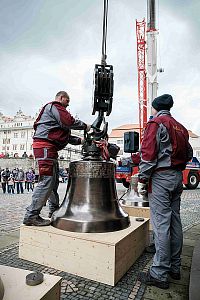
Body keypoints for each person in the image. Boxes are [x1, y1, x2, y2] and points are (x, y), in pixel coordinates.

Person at [138, 94, 193, 289]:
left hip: (161, 178)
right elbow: (189, 153)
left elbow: (148, 154)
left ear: (155, 107)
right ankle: (175, 268)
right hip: (177, 177)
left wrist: (143, 178)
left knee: (161, 224)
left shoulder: (156, 123)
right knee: (175, 221)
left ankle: (159, 273)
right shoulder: (181, 127)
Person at [23, 91, 91, 226]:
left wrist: (81, 141)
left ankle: (53, 210)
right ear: (61, 98)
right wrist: (85, 126)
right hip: (45, 148)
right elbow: (68, 121)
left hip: (49, 149)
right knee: (47, 181)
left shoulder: (56, 117)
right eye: (67, 100)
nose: (68, 104)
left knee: (53, 182)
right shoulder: (54, 106)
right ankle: (31, 215)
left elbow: (66, 136)